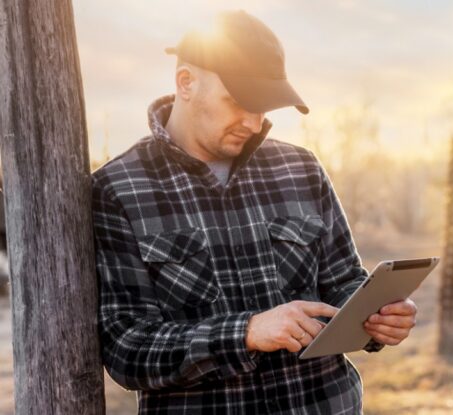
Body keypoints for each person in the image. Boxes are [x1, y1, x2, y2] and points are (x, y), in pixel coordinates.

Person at [92, 10, 418, 414]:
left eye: (265, 107)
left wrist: (376, 316)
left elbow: (343, 281)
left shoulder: (300, 169)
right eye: (239, 102)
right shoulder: (118, 189)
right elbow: (129, 349)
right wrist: (246, 332)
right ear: (186, 83)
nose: (253, 121)